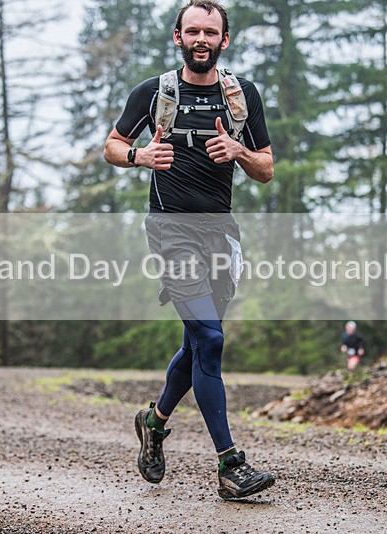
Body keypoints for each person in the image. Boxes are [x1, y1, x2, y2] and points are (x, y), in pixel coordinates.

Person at [104, 0, 275, 499]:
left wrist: (239, 151)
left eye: (211, 32)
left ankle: (154, 423)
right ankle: (230, 465)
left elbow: (266, 167)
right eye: (193, 31)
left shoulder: (242, 96)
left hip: (220, 233)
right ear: (178, 37)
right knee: (211, 339)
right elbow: (112, 145)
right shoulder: (154, 92)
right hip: (170, 230)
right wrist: (139, 155)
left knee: (198, 342)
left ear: (224, 40)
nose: (202, 39)